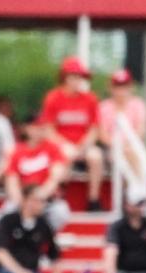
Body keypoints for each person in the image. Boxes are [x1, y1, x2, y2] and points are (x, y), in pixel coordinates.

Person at [41, 56, 105, 210]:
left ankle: (93, 200)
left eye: (79, 77)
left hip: (83, 145)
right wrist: (66, 144)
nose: (77, 81)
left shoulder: (90, 99)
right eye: (73, 76)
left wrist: (83, 146)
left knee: (96, 156)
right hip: (61, 144)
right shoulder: (53, 98)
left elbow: (94, 129)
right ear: (65, 77)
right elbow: (48, 130)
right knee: (66, 154)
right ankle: (59, 195)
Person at [4, 113, 70, 231]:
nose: (40, 130)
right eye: (36, 126)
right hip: (22, 199)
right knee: (7, 211)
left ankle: (46, 239)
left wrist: (38, 198)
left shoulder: (53, 148)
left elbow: (56, 176)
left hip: (46, 199)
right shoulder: (17, 151)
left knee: (61, 212)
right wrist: (22, 201)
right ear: (27, 128)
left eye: (42, 127)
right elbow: (11, 180)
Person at [98, 68, 146, 184]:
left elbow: (141, 129)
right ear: (111, 88)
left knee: (130, 155)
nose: (121, 90)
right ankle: (138, 195)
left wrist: (127, 145)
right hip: (110, 149)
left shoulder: (138, 105)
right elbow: (101, 134)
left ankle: (137, 194)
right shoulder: (104, 107)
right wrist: (117, 145)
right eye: (118, 86)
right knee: (121, 157)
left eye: (124, 86)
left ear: (130, 87)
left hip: (132, 147)